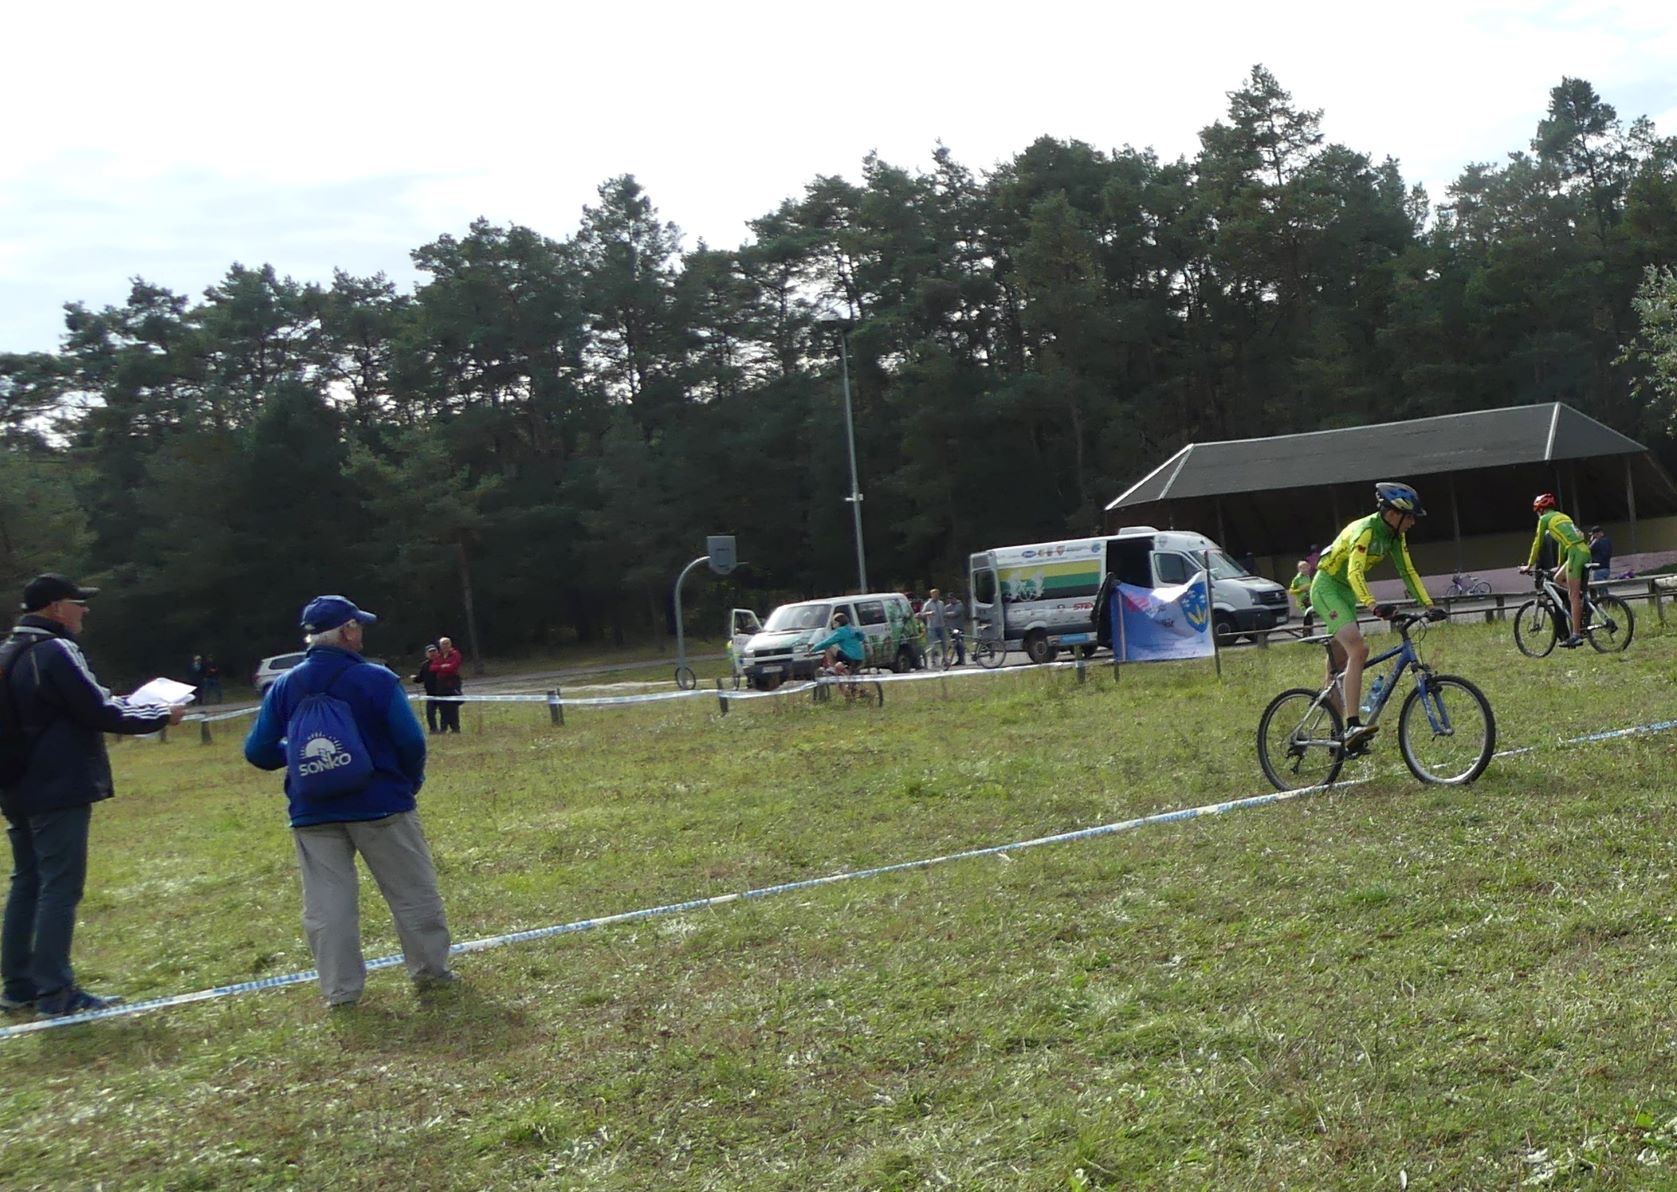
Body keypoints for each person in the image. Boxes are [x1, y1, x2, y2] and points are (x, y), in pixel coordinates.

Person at [243, 595, 455, 1008]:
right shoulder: (376, 679)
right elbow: (410, 741)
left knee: (328, 906)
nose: (361, 633)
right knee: (412, 893)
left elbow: (257, 751)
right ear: (347, 631)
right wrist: (409, 782)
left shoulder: (284, 686)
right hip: (381, 805)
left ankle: (340, 991)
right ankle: (431, 973)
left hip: (313, 812)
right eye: (357, 626)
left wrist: (302, 754)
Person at [2, 574, 185, 1018]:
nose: (84, 610)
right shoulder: (55, 650)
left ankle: (18, 985)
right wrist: (160, 713)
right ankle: (56, 991)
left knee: (27, 881)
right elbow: (98, 710)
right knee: (60, 886)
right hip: (56, 786)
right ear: (55, 608)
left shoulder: (8, 651)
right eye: (77, 602)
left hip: (15, 784)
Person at [1309, 483, 1444, 751]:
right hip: (1327, 588)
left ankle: (1337, 737)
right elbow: (1354, 573)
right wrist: (1372, 605)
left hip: (1345, 593)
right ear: (1393, 514)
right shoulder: (1366, 531)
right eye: (1410, 517)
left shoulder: (1394, 536)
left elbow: (1407, 571)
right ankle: (1352, 724)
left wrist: (1429, 605)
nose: (1413, 523)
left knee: (1339, 665)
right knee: (1359, 649)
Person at [1520, 494, 1590, 648]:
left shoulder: (1544, 519)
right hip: (1583, 551)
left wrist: (1529, 565)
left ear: (1540, 510)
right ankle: (1579, 595)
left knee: (1572, 597)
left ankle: (1576, 635)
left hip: (1575, 554)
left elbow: (1537, 543)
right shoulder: (1563, 517)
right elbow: (1562, 543)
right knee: (1558, 578)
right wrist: (1559, 565)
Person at [809, 611, 867, 676]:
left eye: (833, 624)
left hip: (850, 658)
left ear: (838, 623)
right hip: (860, 659)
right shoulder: (852, 629)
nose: (833, 626)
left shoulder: (841, 632)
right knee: (849, 672)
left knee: (828, 647)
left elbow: (827, 642)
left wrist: (813, 649)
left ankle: (832, 668)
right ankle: (847, 675)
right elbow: (861, 638)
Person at [433, 636, 464, 733]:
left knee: (453, 706)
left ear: (450, 644)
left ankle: (455, 728)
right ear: (440, 645)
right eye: (443, 644)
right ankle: (443, 728)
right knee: (443, 706)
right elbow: (432, 668)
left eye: (447, 643)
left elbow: (453, 667)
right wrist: (442, 666)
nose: (445, 646)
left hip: (453, 682)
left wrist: (441, 667)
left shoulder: (455, 654)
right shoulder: (438, 656)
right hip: (441, 683)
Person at [411, 644, 443, 734]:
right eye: (430, 652)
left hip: (443, 692)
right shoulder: (424, 665)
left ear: (438, 652)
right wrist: (414, 678)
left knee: (445, 712)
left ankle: (444, 729)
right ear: (426, 654)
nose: (432, 653)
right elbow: (421, 678)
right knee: (430, 713)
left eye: (434, 651)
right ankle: (433, 730)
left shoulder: (442, 662)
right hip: (430, 693)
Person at [942, 591, 967, 665]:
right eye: (949, 599)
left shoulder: (960, 605)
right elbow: (944, 615)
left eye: (951, 598)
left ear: (955, 598)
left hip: (959, 628)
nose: (950, 600)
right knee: (954, 645)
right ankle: (957, 659)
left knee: (960, 644)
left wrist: (946, 614)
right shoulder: (947, 607)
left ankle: (962, 659)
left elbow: (955, 613)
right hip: (951, 628)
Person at [1287, 560, 1314, 629]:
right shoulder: (1297, 579)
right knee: (1307, 616)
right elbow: (1291, 591)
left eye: (1307, 567)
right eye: (1303, 568)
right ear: (1299, 569)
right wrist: (1300, 589)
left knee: (1310, 617)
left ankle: (1309, 632)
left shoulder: (1308, 577)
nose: (1306, 570)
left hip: (1308, 599)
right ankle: (1306, 632)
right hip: (1301, 601)